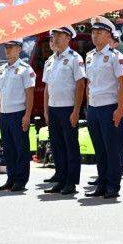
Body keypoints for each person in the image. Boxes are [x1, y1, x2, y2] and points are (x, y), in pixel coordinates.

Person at [85, 16, 123, 199]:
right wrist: (88, 107)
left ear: (108, 35)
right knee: (100, 148)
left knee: (112, 148)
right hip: (94, 108)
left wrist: (120, 109)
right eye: (93, 33)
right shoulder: (89, 56)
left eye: (99, 33)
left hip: (110, 107)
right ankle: (102, 182)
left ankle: (113, 184)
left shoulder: (116, 57)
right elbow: (89, 84)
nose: (95, 36)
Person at [42, 25, 86, 195]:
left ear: (68, 38)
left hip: (68, 108)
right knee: (57, 146)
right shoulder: (50, 60)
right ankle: (60, 179)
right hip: (53, 109)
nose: (56, 39)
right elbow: (47, 87)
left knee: (70, 146)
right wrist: (46, 111)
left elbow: (80, 84)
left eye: (60, 35)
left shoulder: (75, 58)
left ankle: (71, 182)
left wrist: (76, 111)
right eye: (54, 36)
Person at [0, 39, 35, 192]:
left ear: (19, 49)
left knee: (21, 149)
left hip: (18, 113)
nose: (7, 50)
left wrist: (27, 115)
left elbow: (29, 93)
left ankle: (21, 180)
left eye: (10, 47)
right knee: (9, 149)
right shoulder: (2, 69)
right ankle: (10, 178)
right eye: (6, 47)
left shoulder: (25, 69)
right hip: (5, 114)